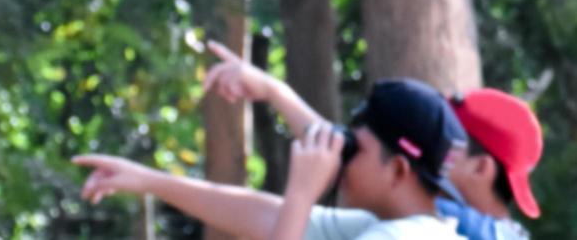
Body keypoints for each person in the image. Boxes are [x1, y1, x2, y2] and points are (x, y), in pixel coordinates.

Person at [202, 43, 540, 240]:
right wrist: (276, 92)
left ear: (482, 167)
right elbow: (353, 150)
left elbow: (355, 151)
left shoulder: (471, 229)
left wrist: (303, 190)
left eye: (452, 135)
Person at [78, 77, 466, 239]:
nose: (343, 161)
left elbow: (290, 215)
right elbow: (265, 216)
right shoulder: (396, 225)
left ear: (398, 168)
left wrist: (301, 194)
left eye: (355, 149)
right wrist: (149, 180)